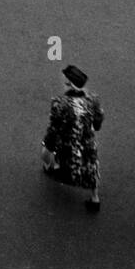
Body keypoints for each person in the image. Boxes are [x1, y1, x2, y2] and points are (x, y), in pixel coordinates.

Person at [42, 64, 103, 212]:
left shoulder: (60, 103)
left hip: (67, 142)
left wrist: (49, 145)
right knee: (91, 166)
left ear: (69, 85)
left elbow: (54, 128)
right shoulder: (93, 100)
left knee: (46, 151)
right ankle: (94, 198)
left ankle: (50, 166)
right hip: (87, 142)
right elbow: (98, 121)